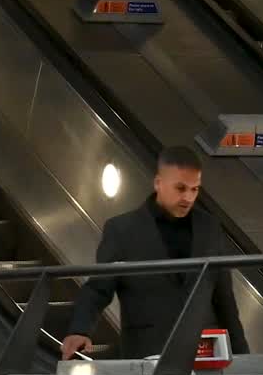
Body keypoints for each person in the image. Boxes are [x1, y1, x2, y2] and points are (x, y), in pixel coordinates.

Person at [61, 146, 249, 360]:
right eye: (180, 188)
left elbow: (224, 297)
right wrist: (79, 330)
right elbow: (98, 288)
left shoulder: (210, 227)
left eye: (194, 189)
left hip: (205, 353)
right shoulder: (122, 229)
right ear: (158, 183)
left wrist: (243, 354)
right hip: (147, 351)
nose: (188, 197)